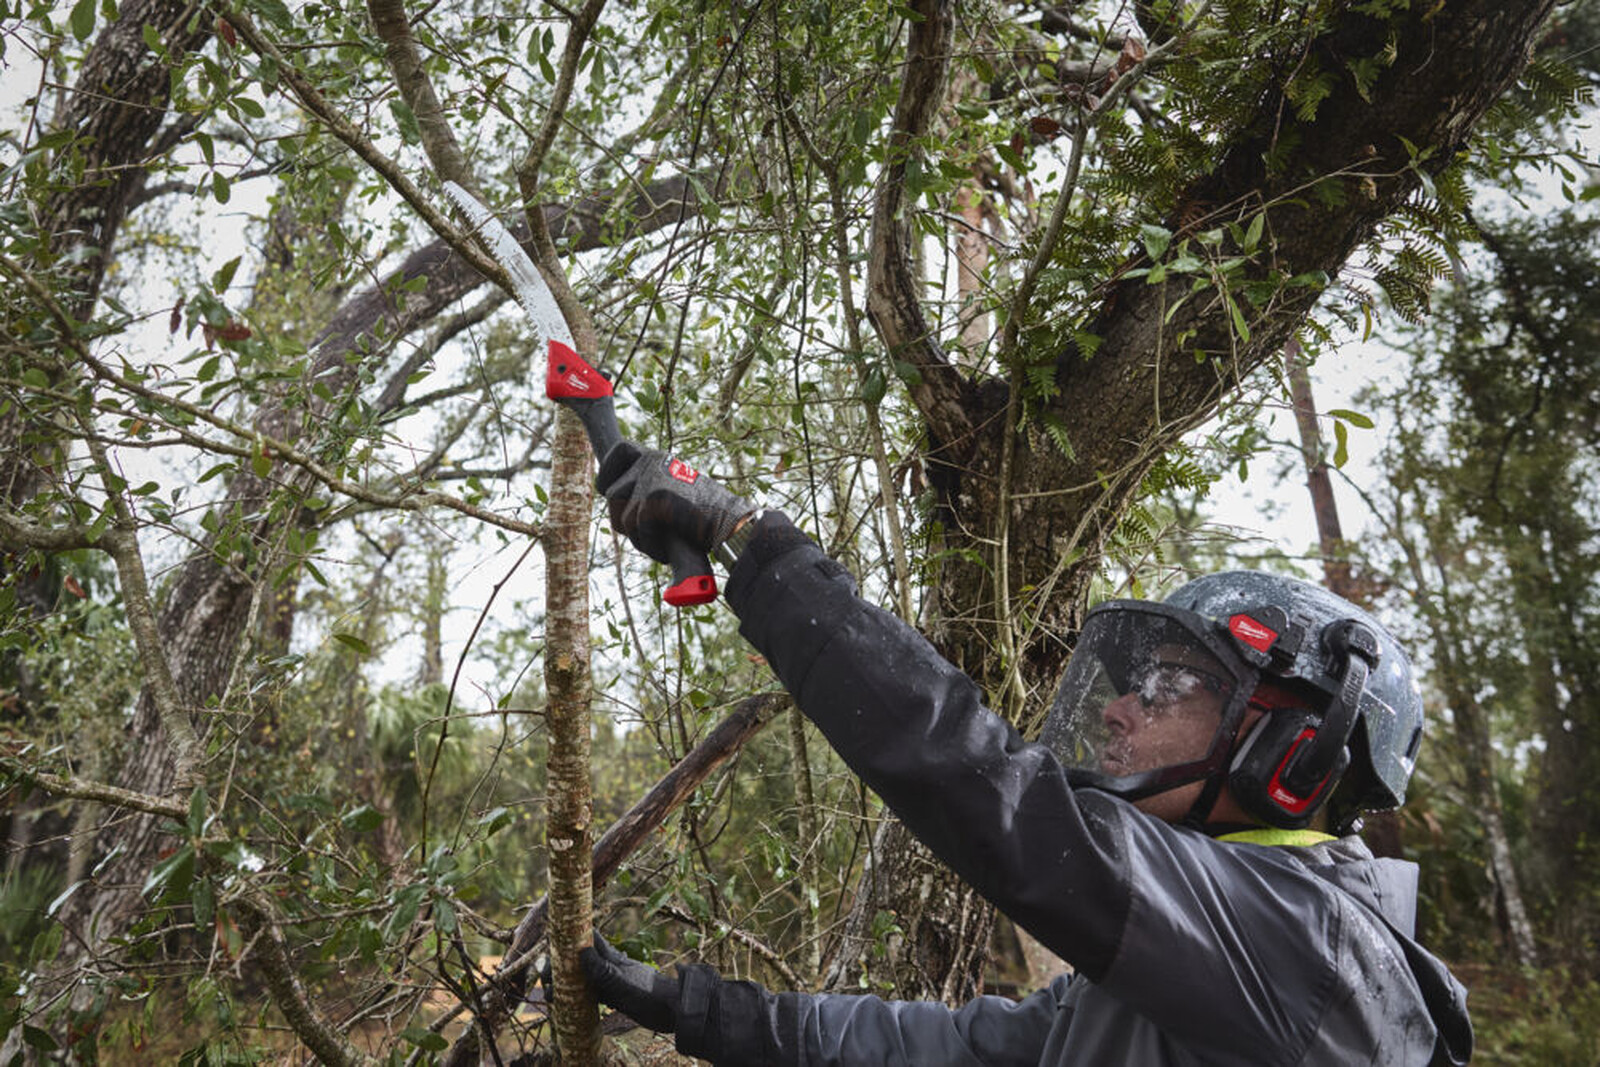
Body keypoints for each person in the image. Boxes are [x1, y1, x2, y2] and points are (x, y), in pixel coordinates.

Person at [576, 441, 1474, 1065]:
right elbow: (970, 1051)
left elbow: (997, 797)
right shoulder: (1200, 959)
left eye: (1168, 687)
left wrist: (751, 539)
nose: (1121, 710)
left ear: (1297, 753)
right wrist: (703, 1011)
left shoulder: (1316, 954)